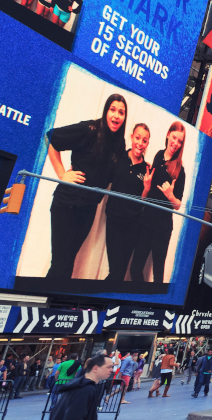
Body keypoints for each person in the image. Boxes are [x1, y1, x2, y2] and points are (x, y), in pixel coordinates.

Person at [45, 94, 127, 280]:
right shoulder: (89, 129)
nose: (116, 116)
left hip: (88, 209)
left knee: (68, 263)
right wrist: (62, 174)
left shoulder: (119, 143)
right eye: (112, 110)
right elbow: (51, 138)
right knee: (60, 264)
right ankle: (38, 305)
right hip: (67, 204)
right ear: (106, 111)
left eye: (121, 112)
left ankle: (52, 306)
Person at [129, 123, 187, 283]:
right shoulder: (158, 156)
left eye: (180, 141)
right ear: (168, 134)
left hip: (163, 228)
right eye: (174, 137)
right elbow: (149, 190)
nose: (176, 143)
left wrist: (170, 195)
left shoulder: (180, 170)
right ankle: (138, 302)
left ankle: (152, 307)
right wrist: (146, 186)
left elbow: (177, 205)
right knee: (135, 269)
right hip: (146, 222)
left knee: (158, 275)